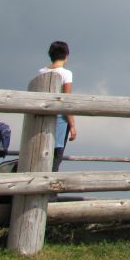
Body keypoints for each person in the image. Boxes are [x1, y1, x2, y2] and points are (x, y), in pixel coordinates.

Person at [40, 40, 77, 172]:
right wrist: (72, 125)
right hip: (60, 122)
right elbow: (66, 101)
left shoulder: (41, 72)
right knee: (55, 159)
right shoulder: (66, 73)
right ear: (66, 55)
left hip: (41, 121)